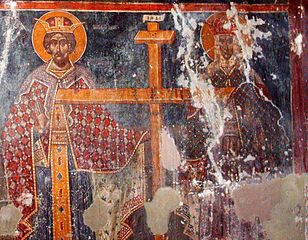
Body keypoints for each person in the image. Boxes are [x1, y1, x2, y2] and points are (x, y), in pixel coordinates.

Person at [1, 11, 149, 239]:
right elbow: (14, 128)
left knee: (81, 210)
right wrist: (35, 129)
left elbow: (100, 121)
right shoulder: (34, 80)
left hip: (76, 159)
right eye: (53, 43)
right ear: (47, 47)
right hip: (45, 161)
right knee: (46, 212)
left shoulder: (83, 78)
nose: (58, 48)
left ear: (72, 46)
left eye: (64, 42)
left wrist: (131, 138)